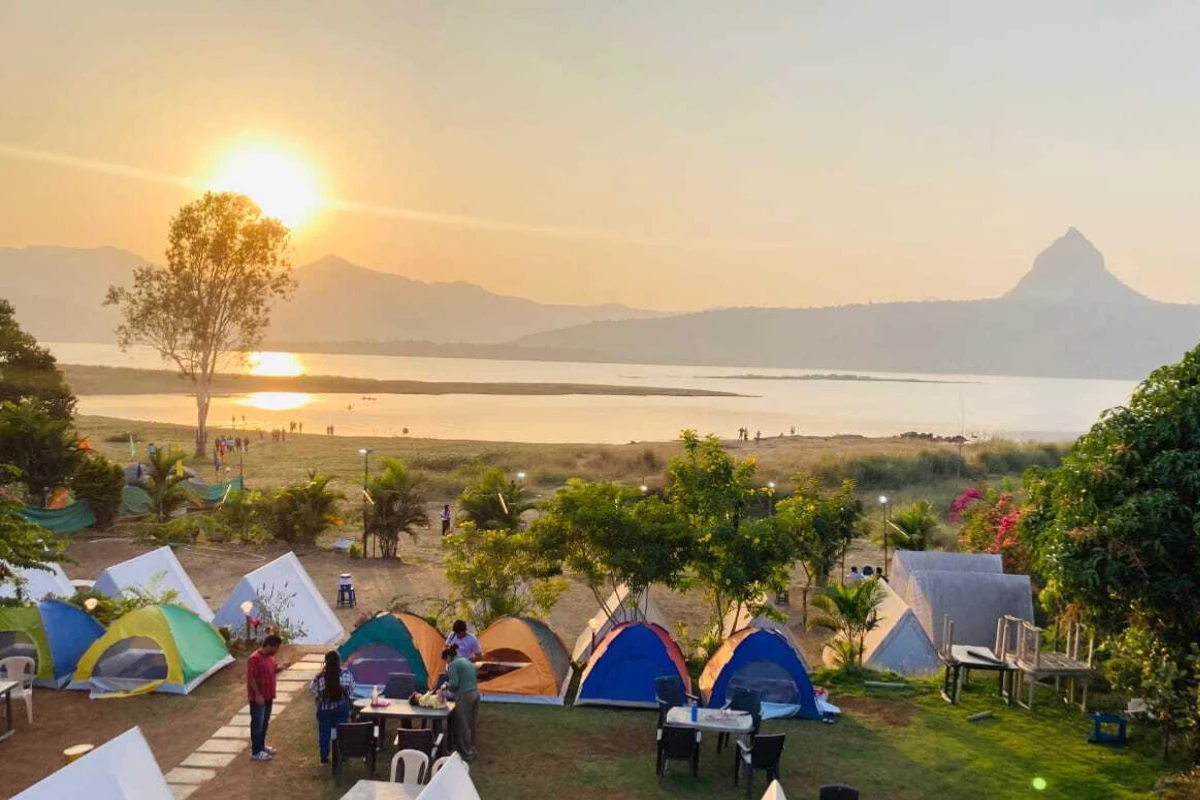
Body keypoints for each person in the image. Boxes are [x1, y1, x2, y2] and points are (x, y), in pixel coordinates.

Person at [310, 650, 356, 764]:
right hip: (341, 708)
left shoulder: (320, 677)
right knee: (342, 730)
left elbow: (313, 690)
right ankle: (343, 755)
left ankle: (324, 757)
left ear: (326, 662)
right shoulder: (346, 674)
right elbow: (351, 690)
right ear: (339, 661)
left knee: (324, 732)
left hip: (324, 709)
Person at [439, 645, 480, 762]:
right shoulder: (466, 661)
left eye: (445, 659)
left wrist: (446, 685)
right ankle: (472, 749)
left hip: (465, 695)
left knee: (463, 725)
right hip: (475, 693)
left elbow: (454, 685)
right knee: (471, 723)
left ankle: (465, 754)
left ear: (448, 657)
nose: (445, 662)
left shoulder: (452, 665)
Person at [247, 634, 284, 762]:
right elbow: (251, 678)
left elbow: (273, 670)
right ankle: (255, 751)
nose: (276, 651)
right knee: (257, 724)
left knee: (264, 723)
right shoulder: (254, 659)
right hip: (259, 698)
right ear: (269, 645)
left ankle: (261, 747)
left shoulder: (270, 658)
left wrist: (281, 668)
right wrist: (257, 694)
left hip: (269, 696)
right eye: (276, 648)